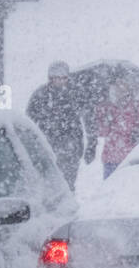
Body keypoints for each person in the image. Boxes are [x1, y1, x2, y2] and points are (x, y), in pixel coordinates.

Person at [26, 61, 94, 190]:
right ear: (50, 78)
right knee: (48, 183)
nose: (61, 81)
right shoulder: (40, 95)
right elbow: (29, 121)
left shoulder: (76, 93)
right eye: (57, 78)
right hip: (47, 143)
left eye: (64, 78)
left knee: (68, 183)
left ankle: (68, 202)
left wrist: (91, 144)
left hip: (71, 144)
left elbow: (88, 118)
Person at [93, 79, 139, 179]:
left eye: (122, 86)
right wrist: (104, 120)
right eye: (115, 87)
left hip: (130, 158)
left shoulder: (138, 106)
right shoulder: (106, 108)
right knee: (109, 190)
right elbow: (101, 132)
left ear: (128, 89)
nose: (118, 90)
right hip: (110, 158)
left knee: (128, 189)